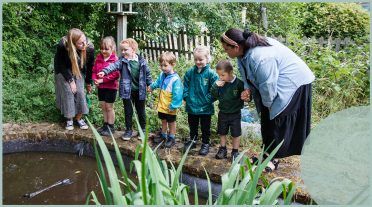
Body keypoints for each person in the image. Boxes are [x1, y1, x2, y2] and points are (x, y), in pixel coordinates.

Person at [220, 28, 315, 171]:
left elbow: (268, 85)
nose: (225, 52)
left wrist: (269, 104)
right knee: (267, 118)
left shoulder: (260, 57)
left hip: (294, 82)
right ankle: (266, 154)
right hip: (274, 82)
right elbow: (244, 72)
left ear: (236, 47)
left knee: (276, 119)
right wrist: (247, 88)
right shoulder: (242, 52)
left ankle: (273, 159)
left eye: (227, 49)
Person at [97, 38, 152, 140]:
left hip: (140, 91)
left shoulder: (142, 62)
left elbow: (147, 74)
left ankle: (142, 130)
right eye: (121, 50)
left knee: (141, 111)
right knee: (128, 111)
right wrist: (104, 72)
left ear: (133, 50)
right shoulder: (122, 61)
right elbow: (112, 66)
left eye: (125, 50)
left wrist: (149, 85)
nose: (123, 52)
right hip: (127, 92)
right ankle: (128, 130)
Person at [54, 28, 95, 130]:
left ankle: (79, 118)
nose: (84, 44)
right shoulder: (63, 46)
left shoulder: (89, 47)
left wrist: (89, 82)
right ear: (73, 43)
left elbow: (90, 66)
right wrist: (70, 81)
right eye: (80, 43)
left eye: (84, 41)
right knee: (69, 91)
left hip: (78, 69)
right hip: (63, 69)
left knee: (80, 92)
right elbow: (61, 65)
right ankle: (69, 119)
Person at [183, 45, 219, 155]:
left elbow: (216, 89)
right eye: (196, 59)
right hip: (192, 105)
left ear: (207, 59)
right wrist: (186, 97)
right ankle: (193, 140)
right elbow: (185, 86)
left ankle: (205, 143)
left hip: (205, 107)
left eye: (201, 59)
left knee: (205, 126)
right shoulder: (190, 72)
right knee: (192, 125)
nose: (198, 62)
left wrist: (208, 99)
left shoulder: (211, 74)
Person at [147, 52, 183, 148]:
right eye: (161, 65)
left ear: (173, 64)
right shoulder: (162, 75)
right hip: (162, 105)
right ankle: (163, 135)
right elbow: (157, 82)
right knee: (163, 120)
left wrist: (174, 106)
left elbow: (178, 94)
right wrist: (151, 87)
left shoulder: (175, 79)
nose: (163, 68)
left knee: (171, 122)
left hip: (170, 106)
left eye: (165, 65)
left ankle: (172, 137)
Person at [211, 60, 244, 161]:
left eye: (223, 75)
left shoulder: (239, 83)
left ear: (230, 73)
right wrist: (216, 86)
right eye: (219, 75)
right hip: (223, 113)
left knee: (236, 133)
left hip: (235, 113)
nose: (220, 77)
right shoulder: (220, 83)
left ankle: (235, 151)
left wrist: (247, 96)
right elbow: (214, 96)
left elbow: (246, 95)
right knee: (222, 132)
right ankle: (223, 149)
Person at [92, 36, 120, 136]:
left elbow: (116, 74)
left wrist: (102, 80)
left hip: (111, 87)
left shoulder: (115, 60)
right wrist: (95, 79)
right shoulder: (98, 58)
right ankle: (105, 124)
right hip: (101, 87)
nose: (103, 51)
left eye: (106, 49)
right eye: (102, 48)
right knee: (103, 106)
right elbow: (94, 71)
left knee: (109, 107)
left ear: (112, 48)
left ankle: (111, 126)